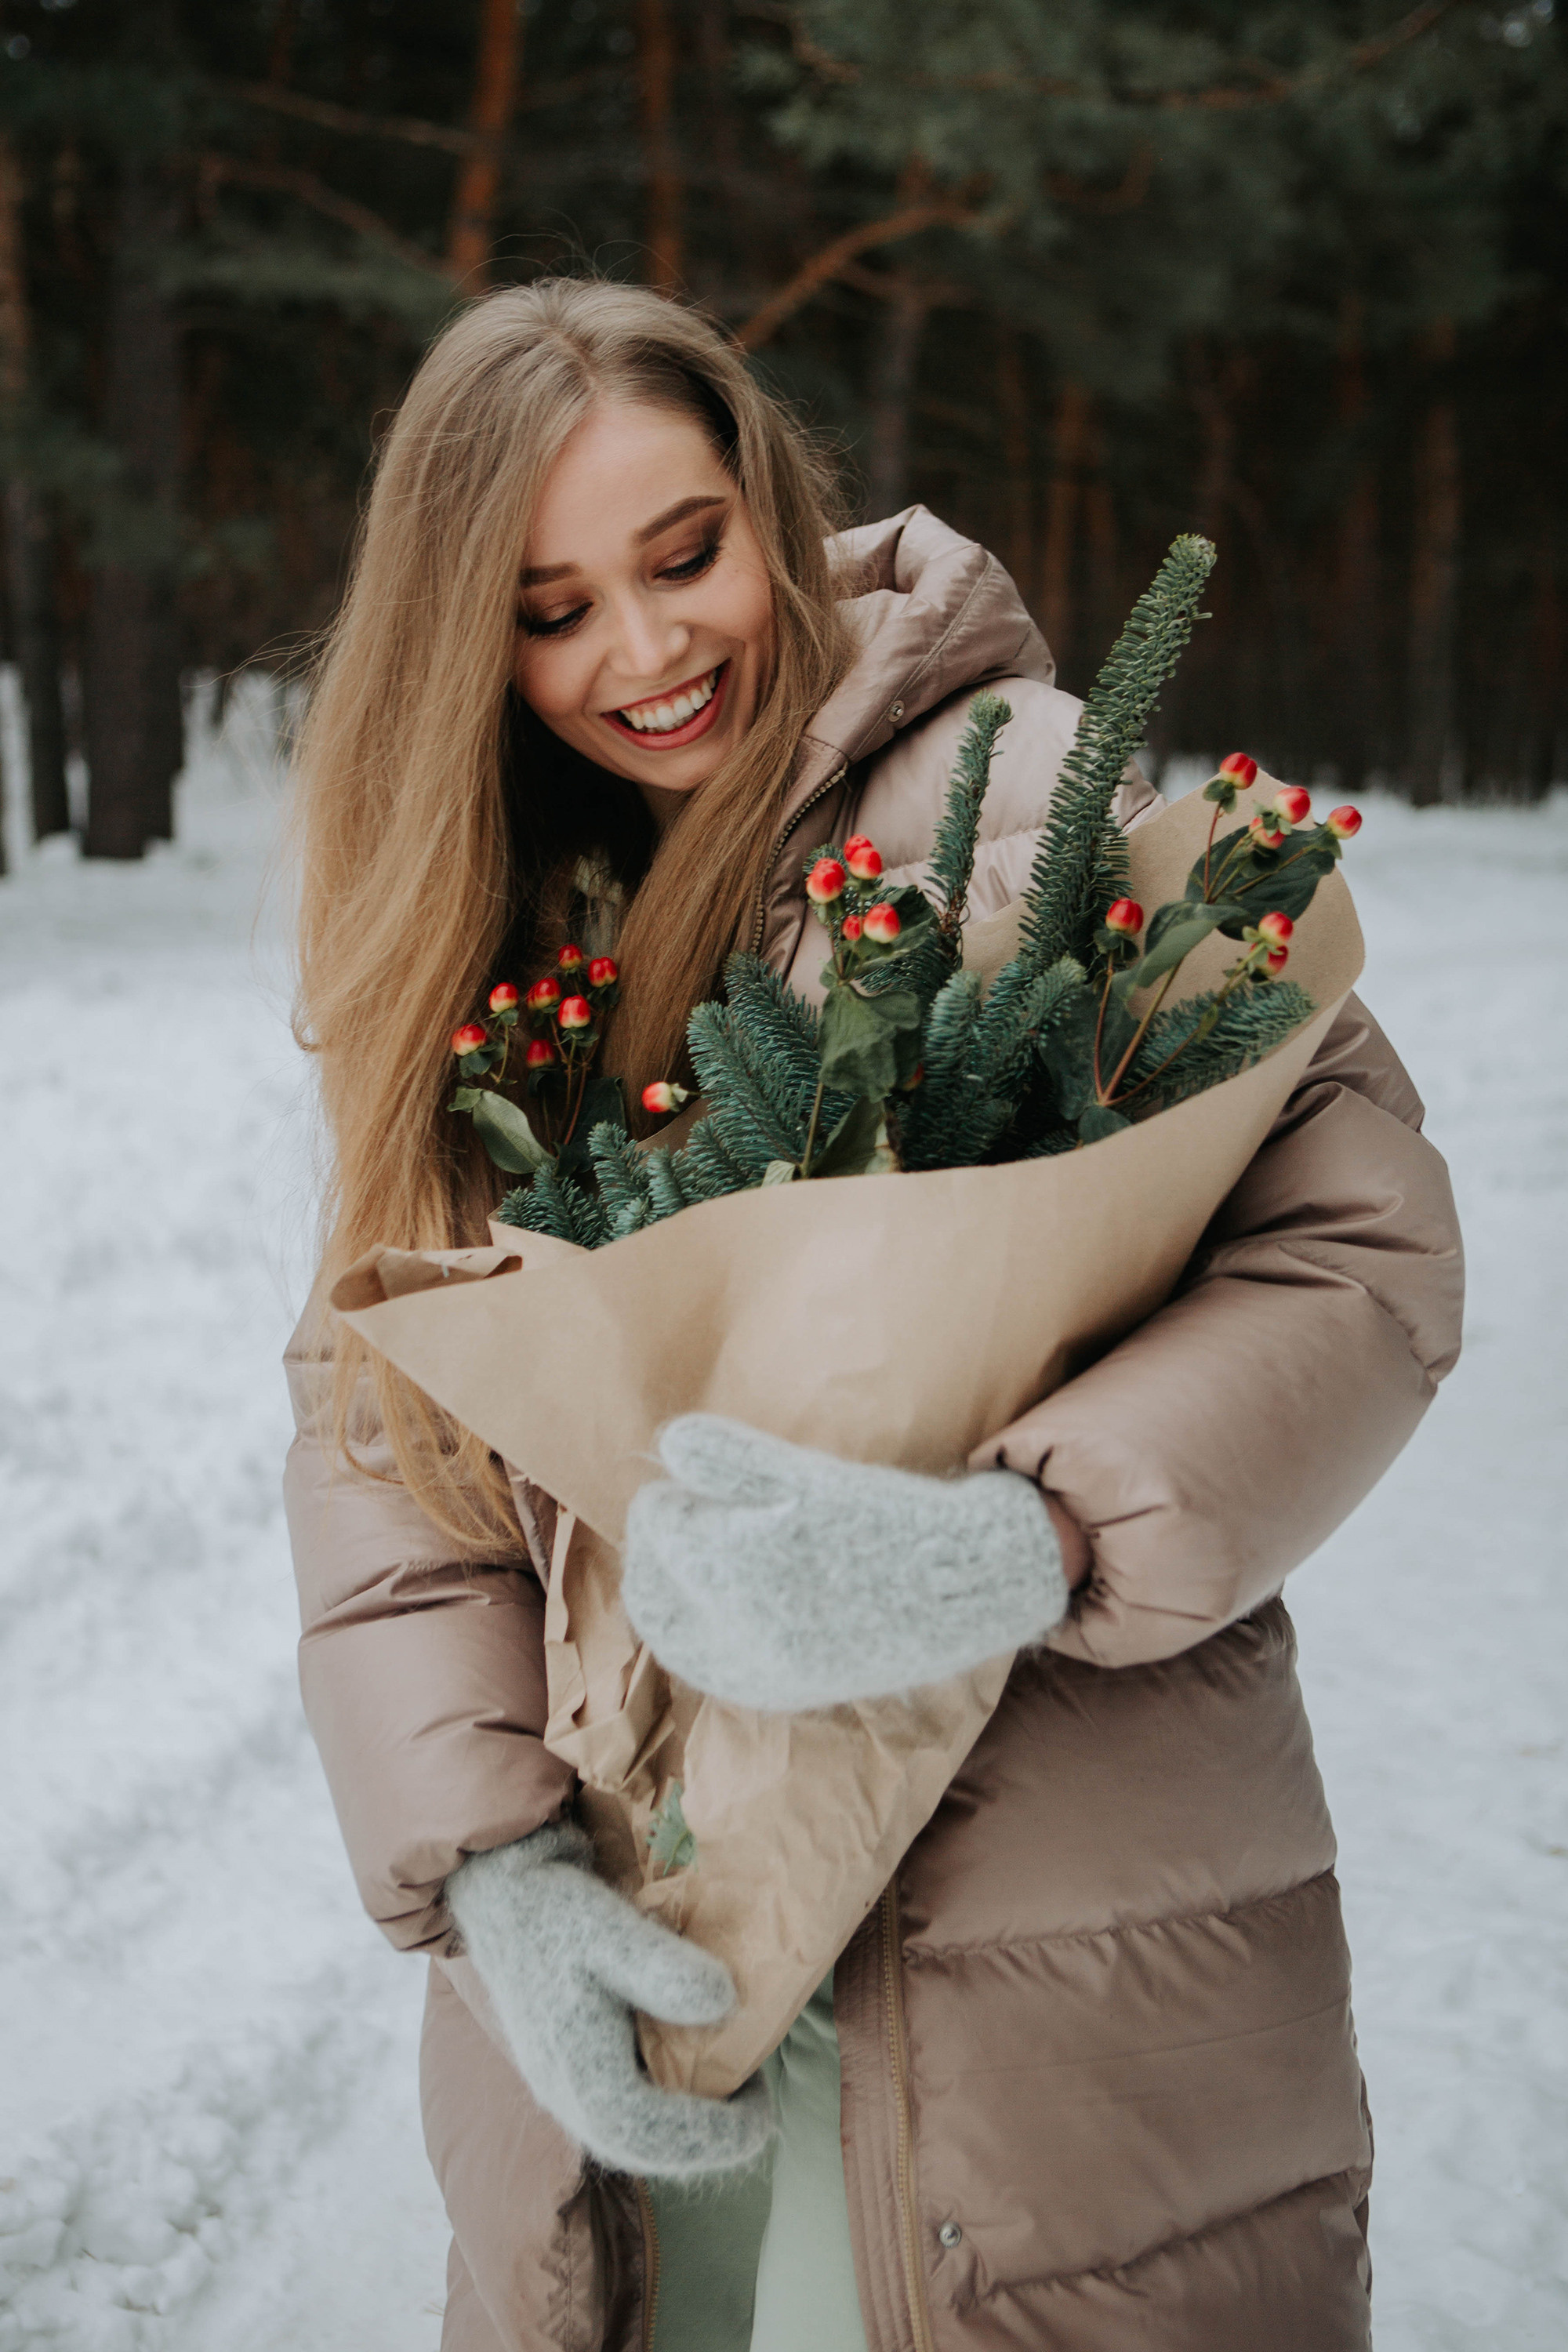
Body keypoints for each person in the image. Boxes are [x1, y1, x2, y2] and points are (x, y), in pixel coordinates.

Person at [284, 278, 1464, 2352]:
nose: (644, 652)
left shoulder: (1026, 813)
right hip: (646, 1922)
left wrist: (1019, 1540)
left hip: (1043, 1931)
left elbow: (1357, 1254)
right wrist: (485, 1864)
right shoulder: (485, 935)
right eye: (552, 610)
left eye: (684, 555)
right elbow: (386, 1436)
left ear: (771, 500)